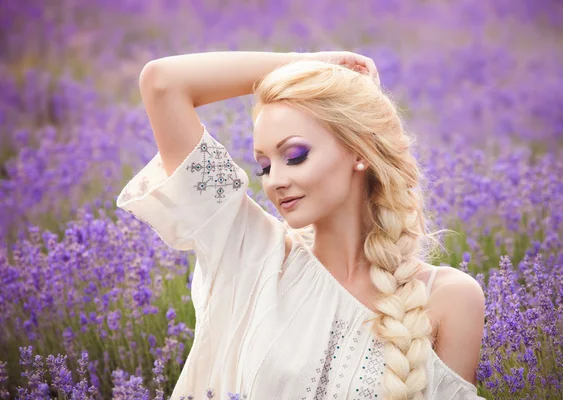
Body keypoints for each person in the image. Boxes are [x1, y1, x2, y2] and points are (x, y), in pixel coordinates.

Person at [116, 51, 486, 400]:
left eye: (294, 156)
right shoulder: (250, 253)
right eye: (264, 165)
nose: (274, 180)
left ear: (359, 150)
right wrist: (310, 65)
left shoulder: (449, 298)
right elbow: (163, 82)